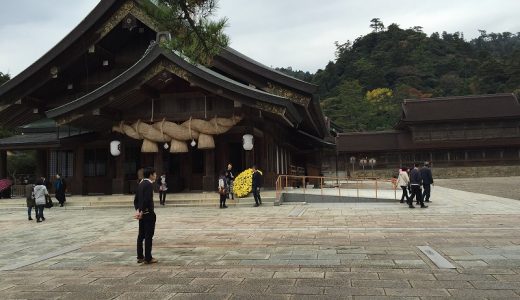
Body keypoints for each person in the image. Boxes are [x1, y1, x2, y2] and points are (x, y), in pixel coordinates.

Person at [135, 167, 158, 264]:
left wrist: (138, 210)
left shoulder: (140, 183)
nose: (156, 176)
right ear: (151, 175)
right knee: (148, 236)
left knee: (141, 235)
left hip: (142, 214)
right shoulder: (149, 184)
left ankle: (140, 256)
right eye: (155, 174)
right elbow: (147, 200)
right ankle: (148, 258)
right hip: (148, 213)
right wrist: (142, 211)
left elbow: (136, 199)